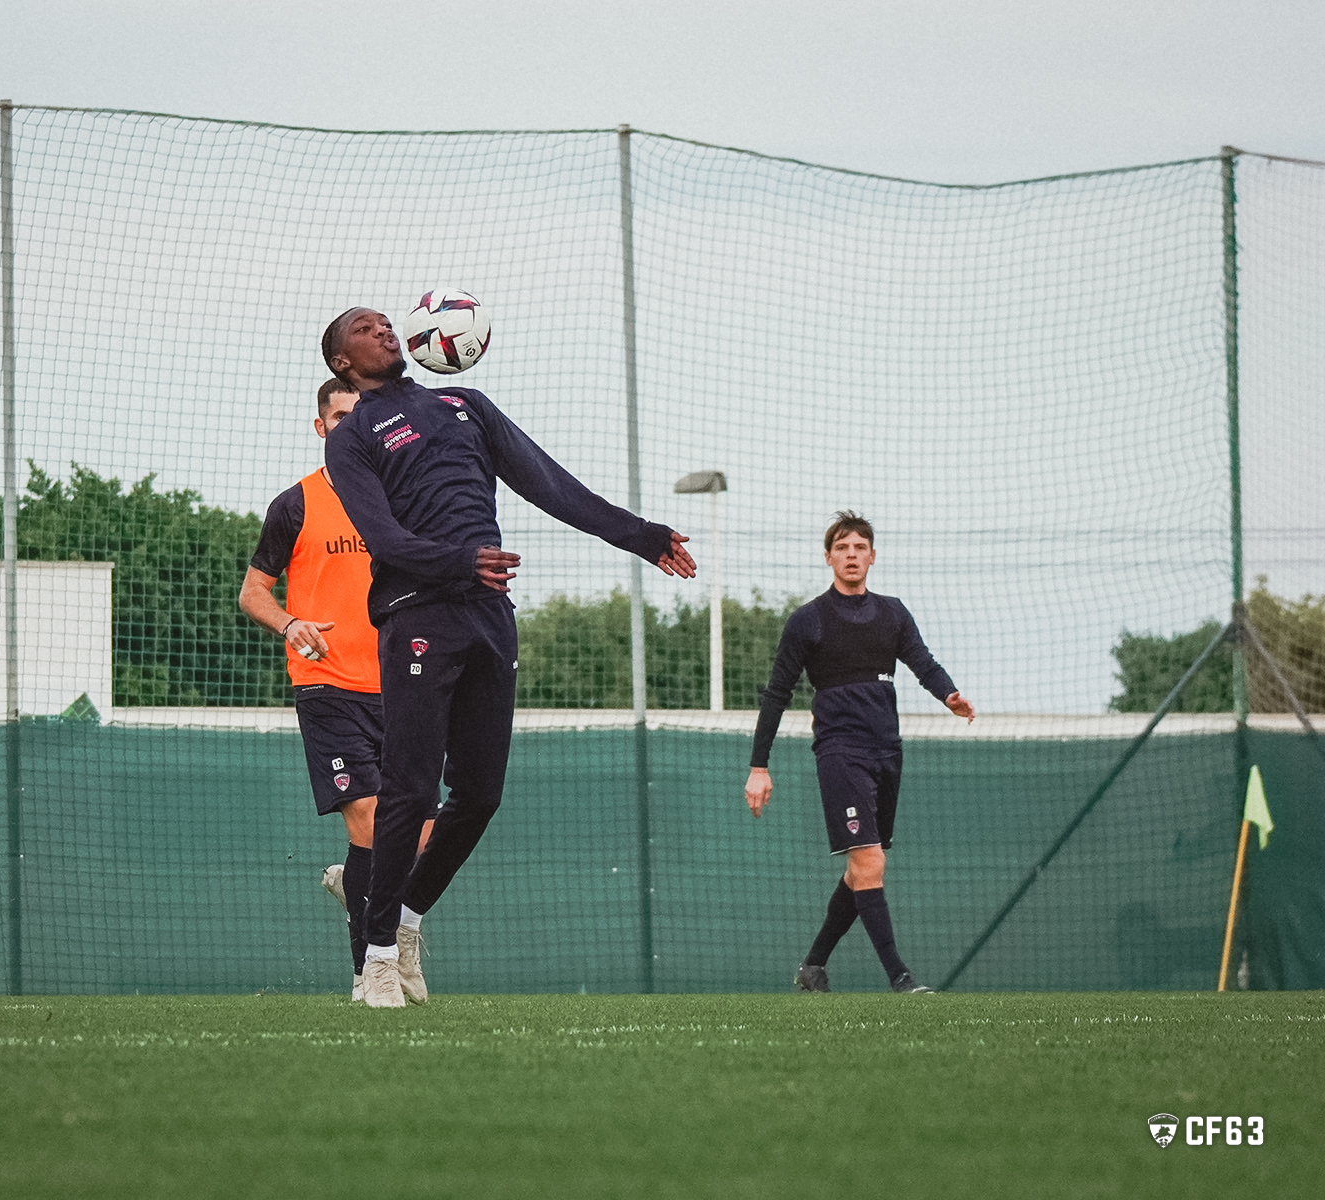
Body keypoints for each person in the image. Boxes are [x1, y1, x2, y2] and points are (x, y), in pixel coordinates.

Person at [319, 305, 697, 1007]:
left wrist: (641, 535)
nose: (383, 329)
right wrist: (461, 560)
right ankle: (373, 957)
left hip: (490, 617)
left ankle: (404, 918)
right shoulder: (354, 439)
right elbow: (386, 543)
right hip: (417, 620)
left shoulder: (467, 405)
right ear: (343, 362)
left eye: (384, 322)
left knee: (481, 795)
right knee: (409, 791)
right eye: (364, 329)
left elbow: (550, 484)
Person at [239, 379, 434, 1002]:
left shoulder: (403, 500)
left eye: (363, 415)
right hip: (328, 687)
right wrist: (291, 624)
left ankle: (362, 893)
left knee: (424, 834)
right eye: (342, 417)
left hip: (403, 685)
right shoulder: (294, 505)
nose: (354, 425)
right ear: (323, 427)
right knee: (374, 823)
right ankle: (369, 972)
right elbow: (252, 593)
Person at [744, 511, 975, 994]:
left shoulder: (892, 612)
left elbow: (923, 663)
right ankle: (901, 978)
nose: (852, 555)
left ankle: (813, 967)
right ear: (828, 557)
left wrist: (949, 696)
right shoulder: (808, 620)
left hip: (886, 750)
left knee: (861, 868)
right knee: (869, 862)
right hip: (840, 751)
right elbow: (777, 694)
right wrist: (758, 766)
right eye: (842, 547)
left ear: (872, 556)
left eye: (860, 547)